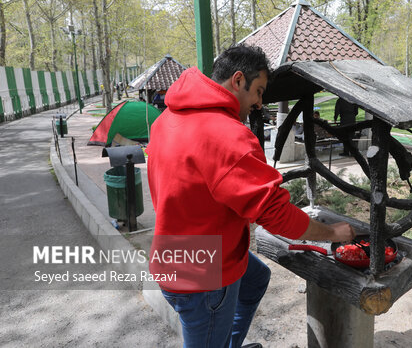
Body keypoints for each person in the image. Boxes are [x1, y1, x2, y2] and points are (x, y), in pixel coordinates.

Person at [146, 44, 355, 348]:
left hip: (173, 253)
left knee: (256, 279)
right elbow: (276, 215)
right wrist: (332, 232)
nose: (259, 103)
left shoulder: (167, 119)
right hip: (202, 278)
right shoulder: (227, 135)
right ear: (238, 80)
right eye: (258, 91)